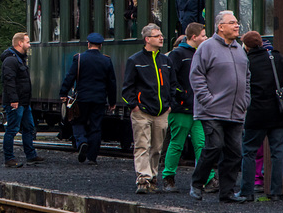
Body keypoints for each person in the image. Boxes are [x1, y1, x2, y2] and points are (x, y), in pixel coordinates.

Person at [189, 10, 249, 203]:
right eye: (232, 23)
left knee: (234, 152)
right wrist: (207, 100)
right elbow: (196, 76)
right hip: (212, 110)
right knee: (214, 146)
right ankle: (197, 184)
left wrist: (245, 100)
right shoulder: (206, 48)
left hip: (236, 111)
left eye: (237, 22)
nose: (237, 25)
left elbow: (247, 77)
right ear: (220, 27)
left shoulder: (239, 49)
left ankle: (227, 193)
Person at [238, 30, 283, 201]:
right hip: (277, 112)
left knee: (249, 152)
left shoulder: (246, 61)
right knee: (277, 153)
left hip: (256, 112)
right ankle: (275, 192)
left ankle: (247, 191)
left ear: (246, 46)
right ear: (260, 43)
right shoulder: (275, 58)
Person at [122, 23, 174, 194]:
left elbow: (172, 85)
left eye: (161, 34)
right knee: (142, 145)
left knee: (157, 148)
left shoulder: (165, 61)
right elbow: (127, 87)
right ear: (147, 39)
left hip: (161, 111)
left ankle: (152, 177)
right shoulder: (135, 61)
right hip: (142, 112)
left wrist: (169, 105)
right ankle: (143, 179)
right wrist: (134, 105)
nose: (161, 37)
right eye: (157, 35)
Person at [162, 23, 214, 193]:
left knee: (201, 144)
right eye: (203, 35)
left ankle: (208, 178)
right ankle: (168, 177)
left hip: (197, 108)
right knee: (178, 143)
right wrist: (181, 96)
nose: (206, 38)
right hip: (182, 108)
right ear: (194, 37)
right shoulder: (178, 54)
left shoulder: (198, 53)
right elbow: (171, 79)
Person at [60, 32, 117, 166]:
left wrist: (63, 92)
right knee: (96, 127)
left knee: (77, 121)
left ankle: (82, 142)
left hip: (82, 98)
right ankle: (92, 157)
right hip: (99, 99)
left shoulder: (79, 59)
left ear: (88, 44)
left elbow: (70, 77)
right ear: (101, 45)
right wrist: (112, 101)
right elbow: (112, 83)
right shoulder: (106, 60)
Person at [1, 32, 44, 167]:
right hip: (16, 102)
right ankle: (9, 159)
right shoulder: (11, 60)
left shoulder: (19, 59)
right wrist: (14, 99)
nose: (29, 45)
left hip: (24, 102)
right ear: (20, 43)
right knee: (12, 129)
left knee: (29, 128)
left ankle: (31, 155)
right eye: (27, 42)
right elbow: (9, 81)